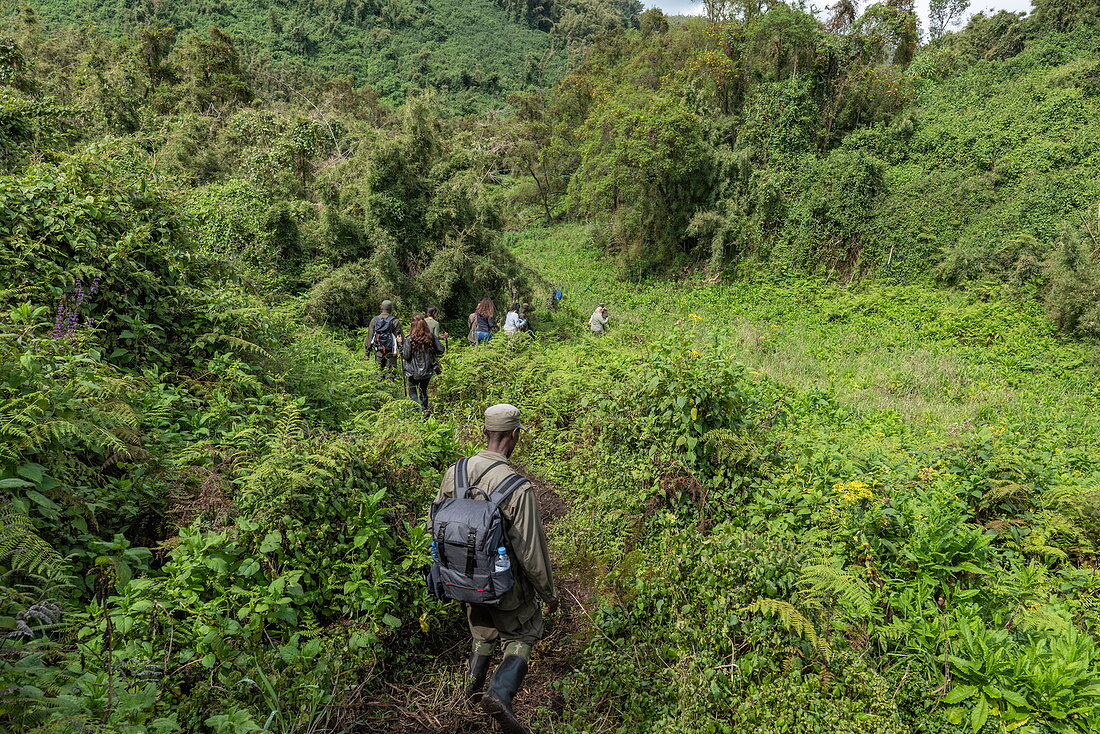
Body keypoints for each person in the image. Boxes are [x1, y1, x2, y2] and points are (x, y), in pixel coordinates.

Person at [436, 405, 557, 734]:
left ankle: (470, 692)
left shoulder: (455, 473)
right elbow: (531, 551)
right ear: (515, 436)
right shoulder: (517, 487)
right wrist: (548, 594)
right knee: (525, 631)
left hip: (462, 580)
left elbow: (436, 525)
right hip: (504, 584)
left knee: (482, 630)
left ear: (484, 433)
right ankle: (499, 694)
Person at [401, 314, 446, 413]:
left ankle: (421, 410)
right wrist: (431, 351)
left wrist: (400, 344)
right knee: (423, 391)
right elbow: (441, 350)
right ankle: (424, 411)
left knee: (412, 393)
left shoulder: (410, 339)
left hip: (412, 371)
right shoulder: (430, 337)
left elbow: (406, 356)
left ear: (412, 325)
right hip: (427, 370)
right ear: (425, 325)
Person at [366, 300, 404, 380]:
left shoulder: (374, 320)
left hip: (378, 351)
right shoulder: (395, 321)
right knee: (390, 374)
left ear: (381, 308)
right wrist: (402, 352)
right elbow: (400, 337)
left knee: (378, 373)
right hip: (391, 352)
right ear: (391, 309)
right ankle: (390, 390)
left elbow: (370, 337)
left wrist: (367, 353)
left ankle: (379, 390)